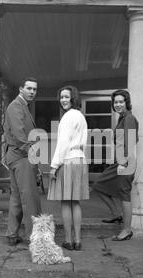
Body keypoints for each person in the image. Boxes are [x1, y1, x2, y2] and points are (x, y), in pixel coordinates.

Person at [92, 89, 139, 241]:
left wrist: (124, 162)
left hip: (126, 162)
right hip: (120, 161)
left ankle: (127, 230)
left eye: (121, 101)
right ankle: (115, 214)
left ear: (127, 103)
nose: (118, 104)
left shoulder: (129, 118)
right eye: (115, 102)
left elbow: (130, 141)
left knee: (125, 194)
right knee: (99, 185)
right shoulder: (122, 118)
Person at [47, 85, 89, 251]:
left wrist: (54, 166)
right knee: (75, 202)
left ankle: (68, 240)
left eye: (66, 97)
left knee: (66, 201)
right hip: (80, 159)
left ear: (73, 98)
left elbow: (63, 144)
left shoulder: (67, 117)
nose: (63, 100)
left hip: (68, 160)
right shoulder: (81, 116)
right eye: (61, 97)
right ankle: (78, 241)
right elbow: (83, 142)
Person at [3, 77, 42, 246]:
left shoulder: (22, 106)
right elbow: (20, 134)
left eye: (34, 89)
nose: (32, 91)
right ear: (21, 89)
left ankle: (12, 234)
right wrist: (32, 153)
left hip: (17, 156)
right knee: (30, 198)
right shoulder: (15, 106)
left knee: (17, 197)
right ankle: (34, 237)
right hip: (22, 157)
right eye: (29, 88)